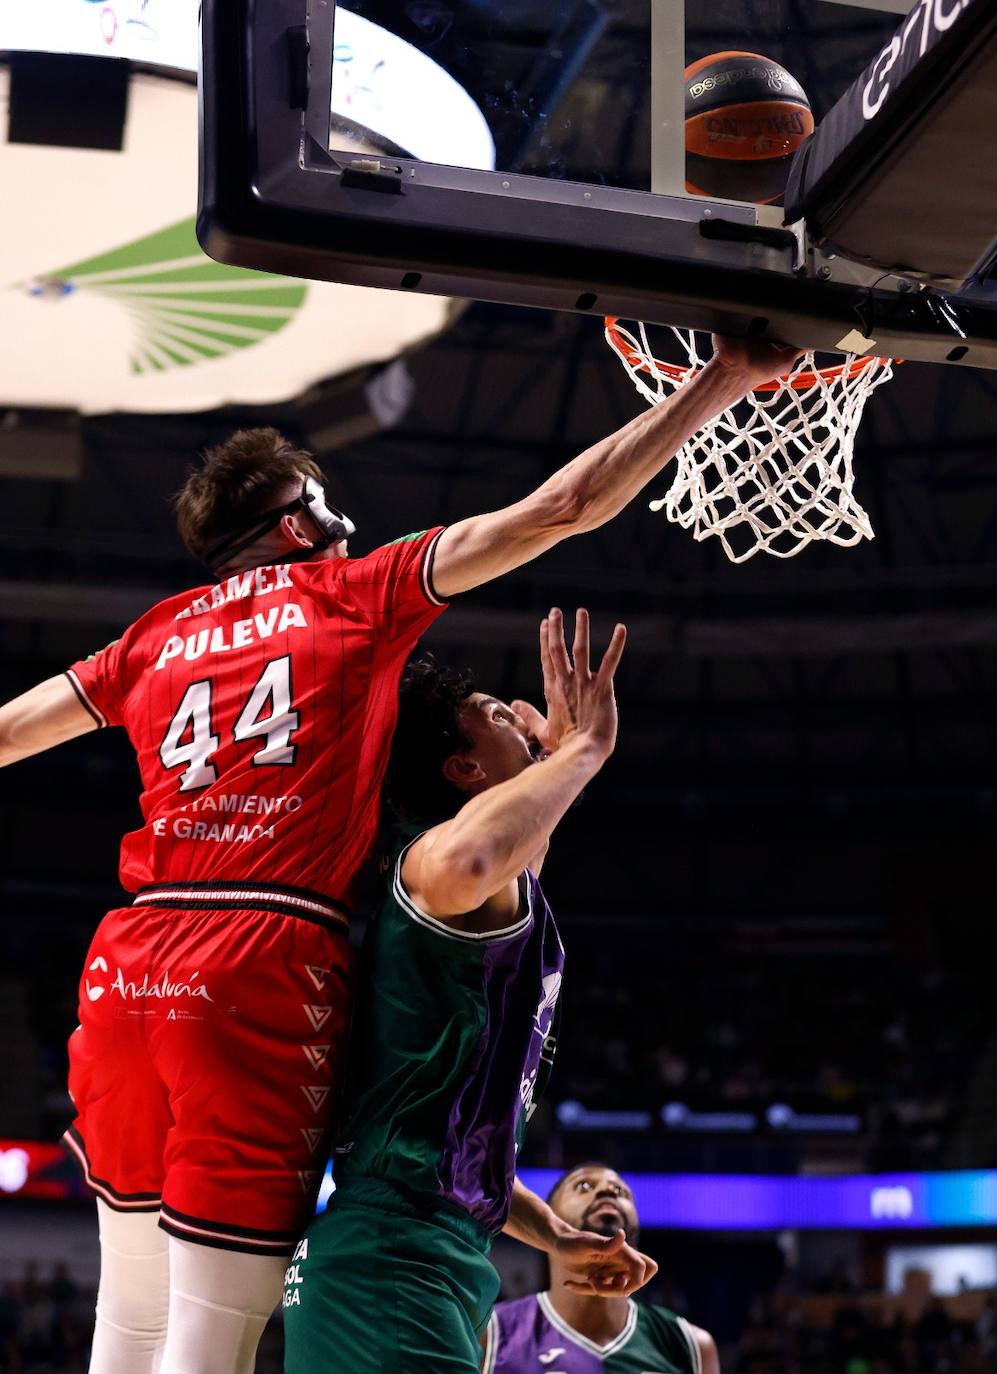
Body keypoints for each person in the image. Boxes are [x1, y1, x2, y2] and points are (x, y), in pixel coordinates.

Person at [0, 335, 797, 1374]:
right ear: (299, 525)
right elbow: (560, 508)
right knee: (208, 1333)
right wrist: (719, 383)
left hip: (128, 957)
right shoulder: (353, 592)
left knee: (130, 1316)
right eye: (328, 504)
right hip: (259, 948)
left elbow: (8, 733)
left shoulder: (149, 636)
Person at [283, 608, 656, 1372]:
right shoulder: (431, 865)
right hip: (390, 1253)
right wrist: (581, 751)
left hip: (429, 1250)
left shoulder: (501, 900)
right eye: (496, 716)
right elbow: (471, 859)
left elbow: (454, 1146)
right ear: (463, 770)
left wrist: (553, 1234)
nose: (523, 720)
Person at [484, 1161, 721, 1374]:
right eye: (584, 1186)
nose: (607, 1191)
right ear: (548, 1216)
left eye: (621, 1191)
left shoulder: (691, 1344)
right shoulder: (491, 1333)